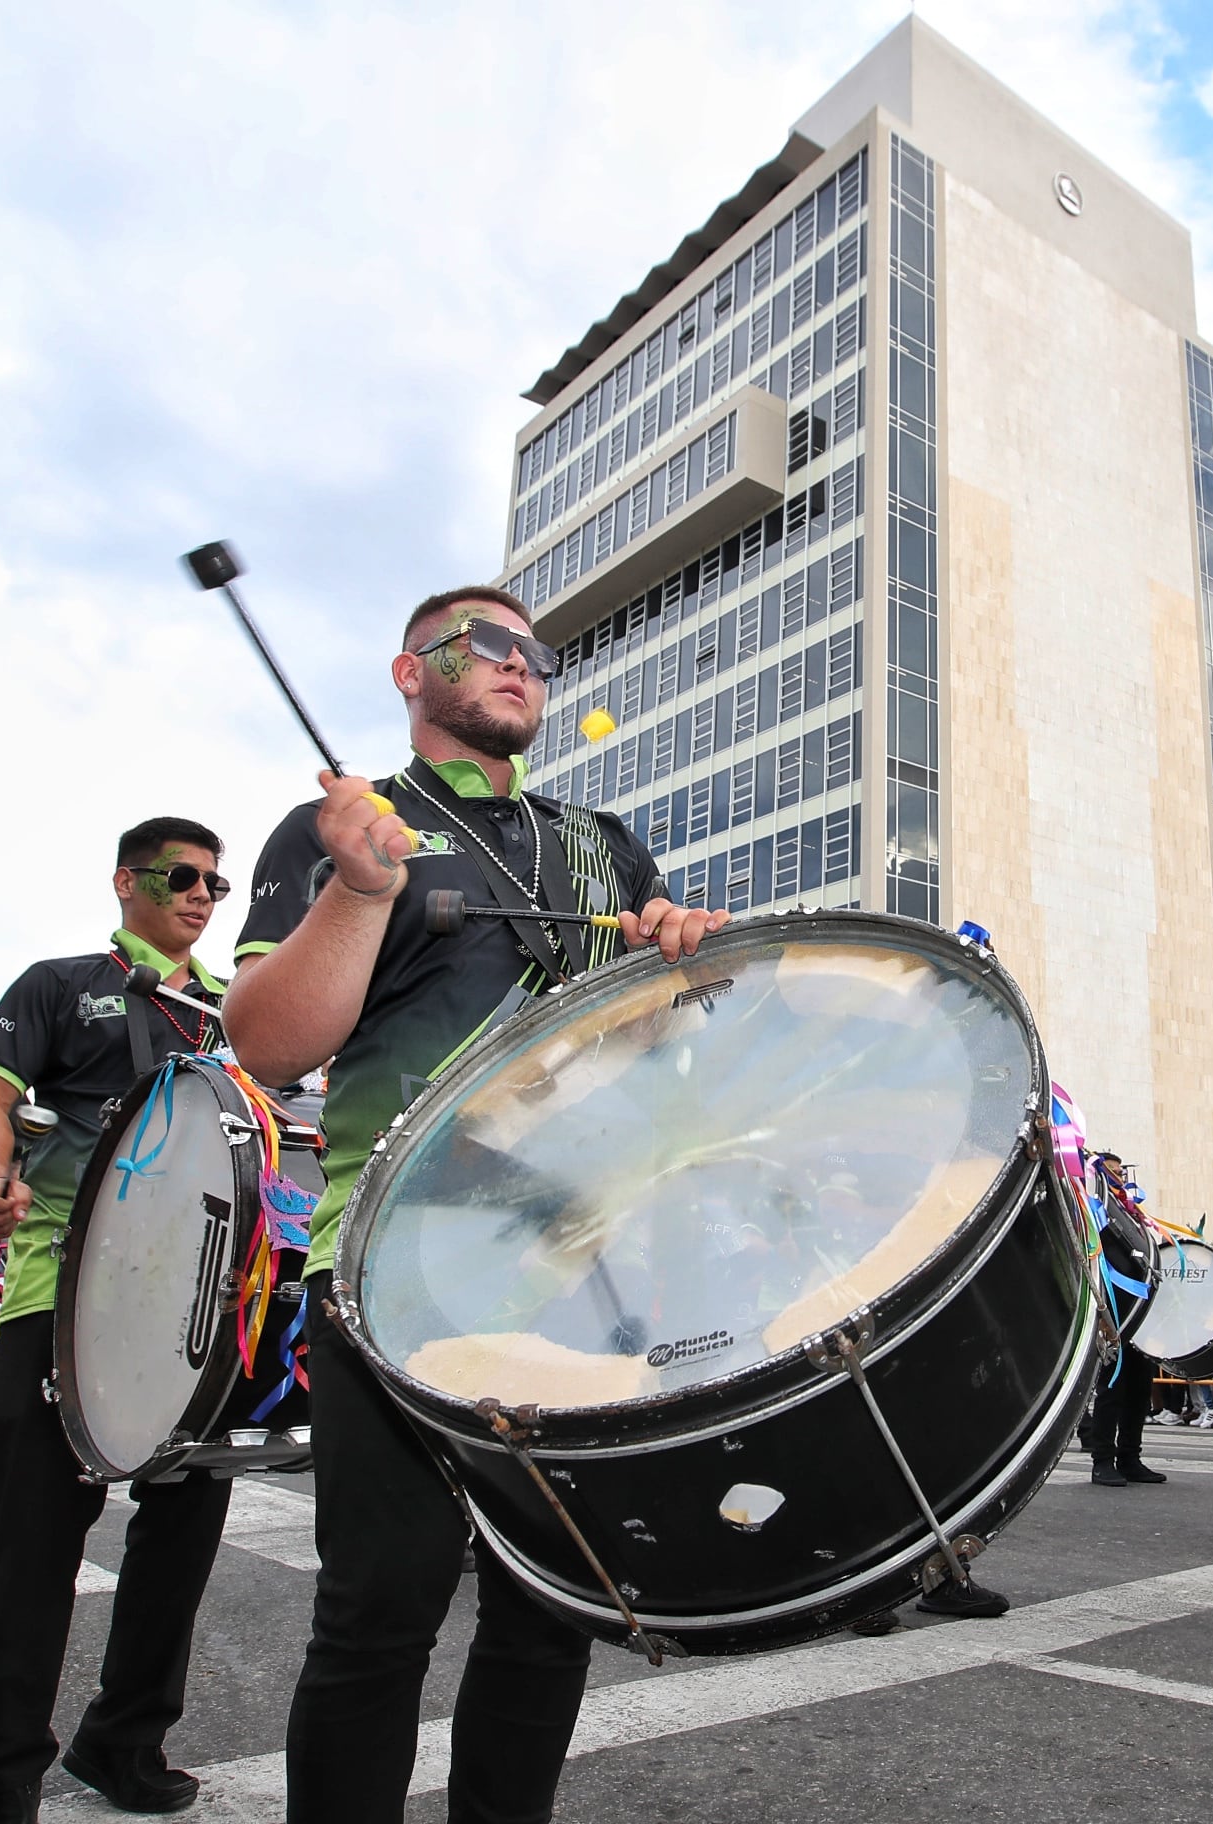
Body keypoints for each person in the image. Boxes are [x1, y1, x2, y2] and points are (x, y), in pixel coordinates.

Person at [224, 584, 737, 1824]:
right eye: (487, 644)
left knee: (552, 1612)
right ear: (412, 672)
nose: (521, 664)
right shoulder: (346, 823)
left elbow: (659, 1065)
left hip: (581, 1272)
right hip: (390, 1263)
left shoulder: (601, 843)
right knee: (378, 1610)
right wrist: (357, 891)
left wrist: (680, 970)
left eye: (537, 653)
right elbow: (269, 1044)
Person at [0, 818, 238, 1822]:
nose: (201, 894)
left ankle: (125, 1741)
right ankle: (6, 1779)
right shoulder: (59, 984)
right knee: (34, 1551)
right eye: (181, 876)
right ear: (125, 881)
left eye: (216, 884)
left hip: (199, 1308)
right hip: (62, 1298)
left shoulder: (237, 1008)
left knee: (180, 1544)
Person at [1079, 1152, 1167, 1486]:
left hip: (1136, 1315)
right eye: (1113, 1173)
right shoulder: (1093, 1212)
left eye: (1121, 1173)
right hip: (1112, 1314)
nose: (1120, 1179)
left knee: (1139, 1389)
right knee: (1111, 1388)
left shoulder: (1130, 1215)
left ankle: (1130, 1456)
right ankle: (1102, 1460)